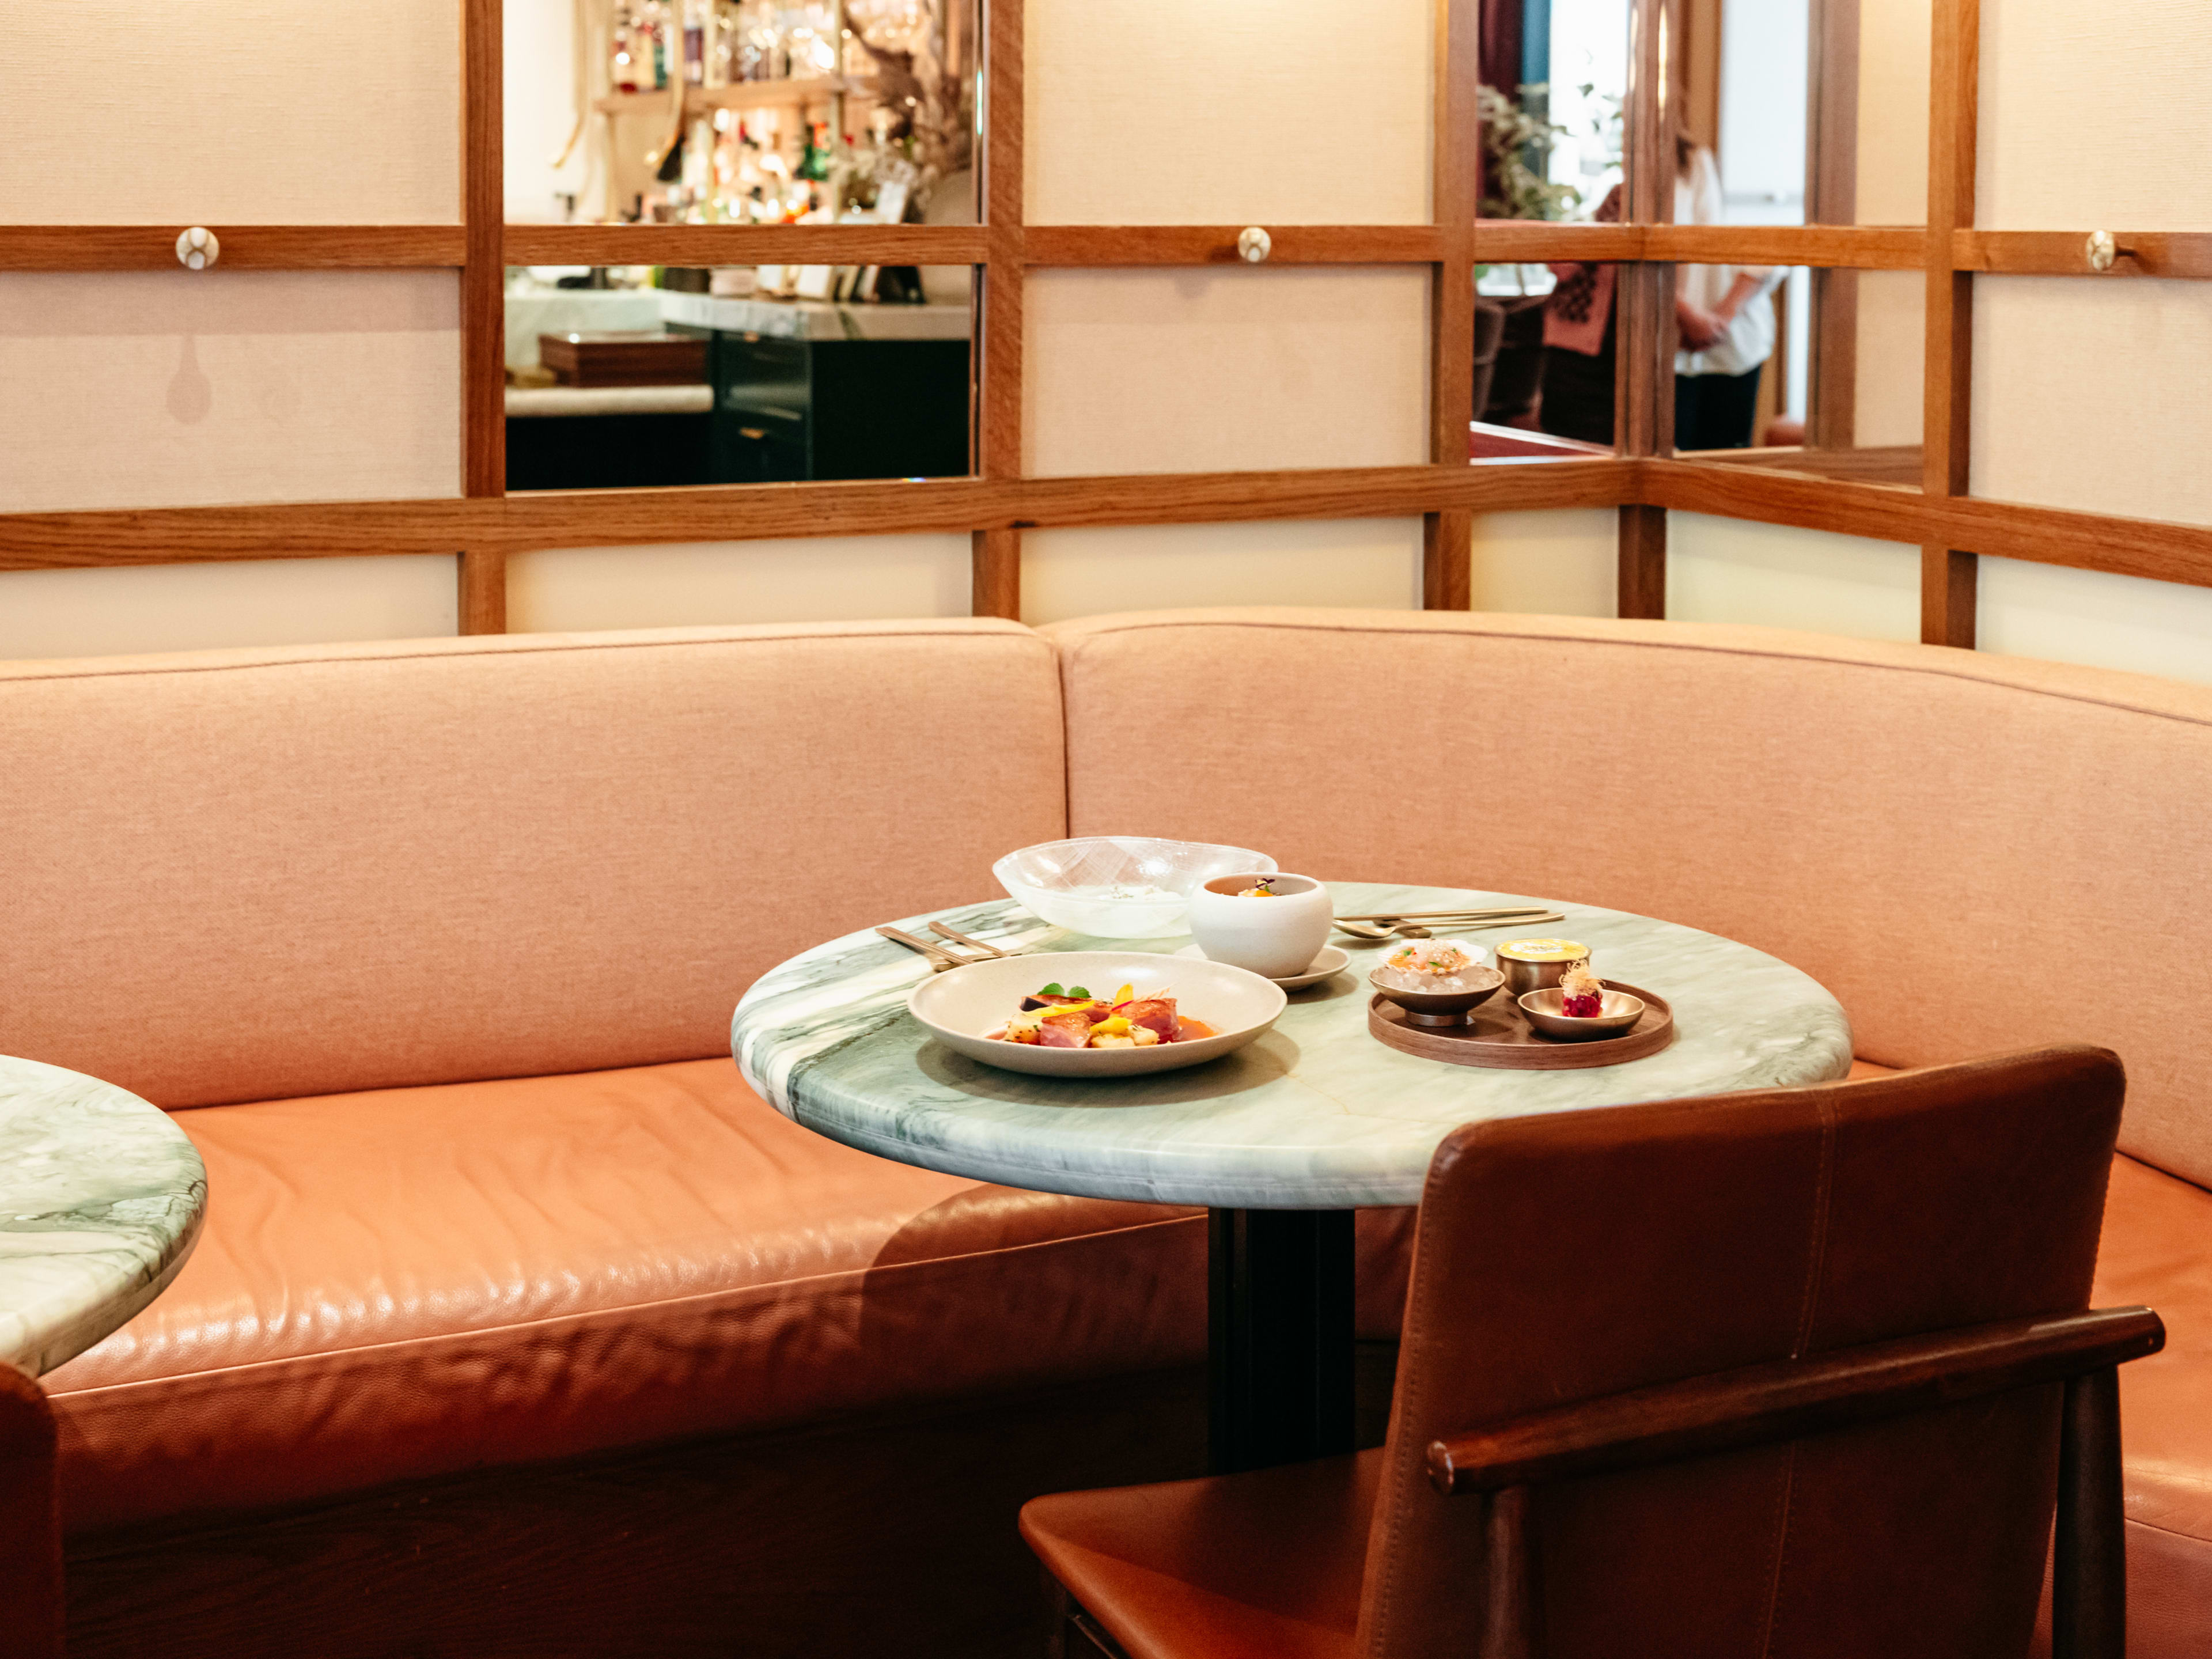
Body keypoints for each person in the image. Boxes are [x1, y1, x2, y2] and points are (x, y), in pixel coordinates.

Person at [1673, 136, 1785, 450]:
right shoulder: (1634, 167)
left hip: (1734, 341)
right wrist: (1685, 312)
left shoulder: (1698, 159)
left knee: (1725, 459)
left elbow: (1771, 249)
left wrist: (1718, 319)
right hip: (1667, 347)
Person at [1535, 181, 1623, 446]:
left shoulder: (1632, 194)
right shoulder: (1622, 194)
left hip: (1610, 343)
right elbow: (1565, 266)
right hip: (1584, 344)